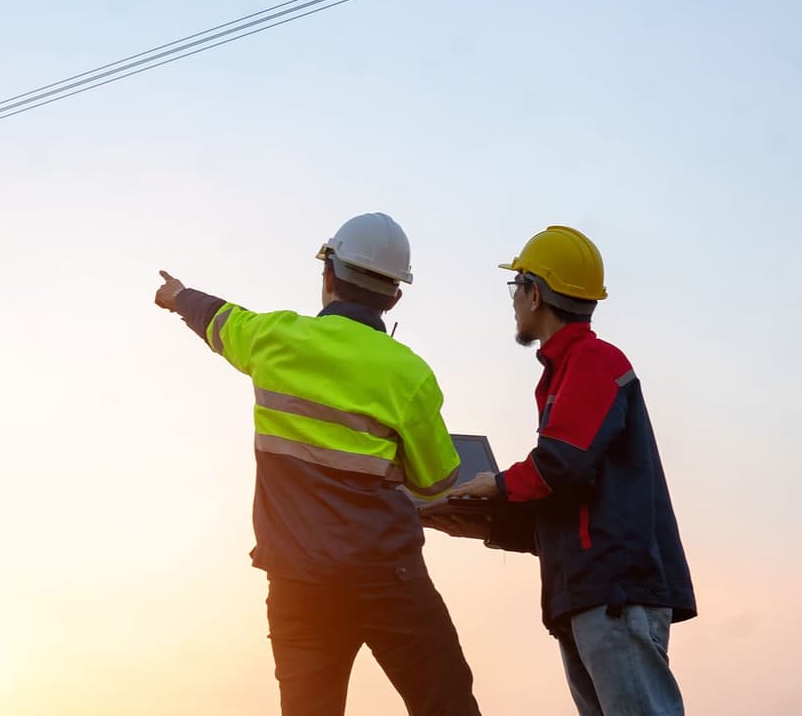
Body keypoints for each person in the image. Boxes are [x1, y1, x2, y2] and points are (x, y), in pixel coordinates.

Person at [154, 212, 482, 716]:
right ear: (396, 296)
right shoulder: (410, 374)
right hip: (388, 578)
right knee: (445, 702)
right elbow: (437, 479)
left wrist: (178, 296)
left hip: (298, 584)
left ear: (328, 275)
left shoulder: (273, 338)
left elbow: (217, 317)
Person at [437, 225, 695, 716]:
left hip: (612, 593)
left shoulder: (594, 361)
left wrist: (497, 484)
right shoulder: (571, 368)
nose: (513, 300)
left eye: (517, 287)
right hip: (587, 593)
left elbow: (564, 465)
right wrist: (487, 522)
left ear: (536, 294)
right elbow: (575, 504)